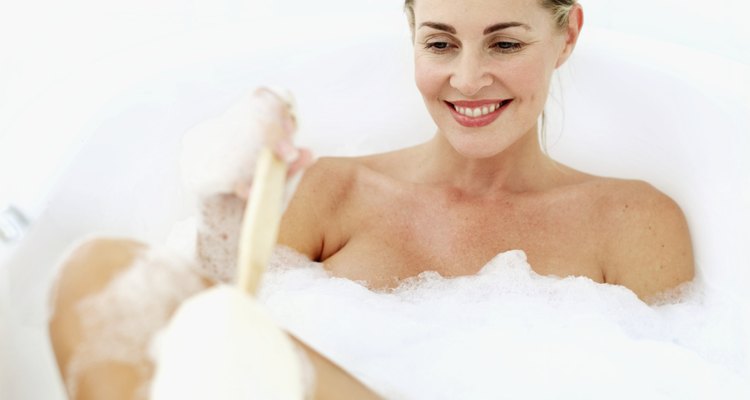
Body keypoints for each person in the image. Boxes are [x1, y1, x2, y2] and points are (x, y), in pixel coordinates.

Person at [48, 0, 695, 398]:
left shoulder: (633, 222)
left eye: (505, 43)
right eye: (440, 43)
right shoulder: (336, 193)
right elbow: (201, 351)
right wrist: (223, 212)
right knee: (95, 271)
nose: (468, 78)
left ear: (568, 35)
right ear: (410, 33)